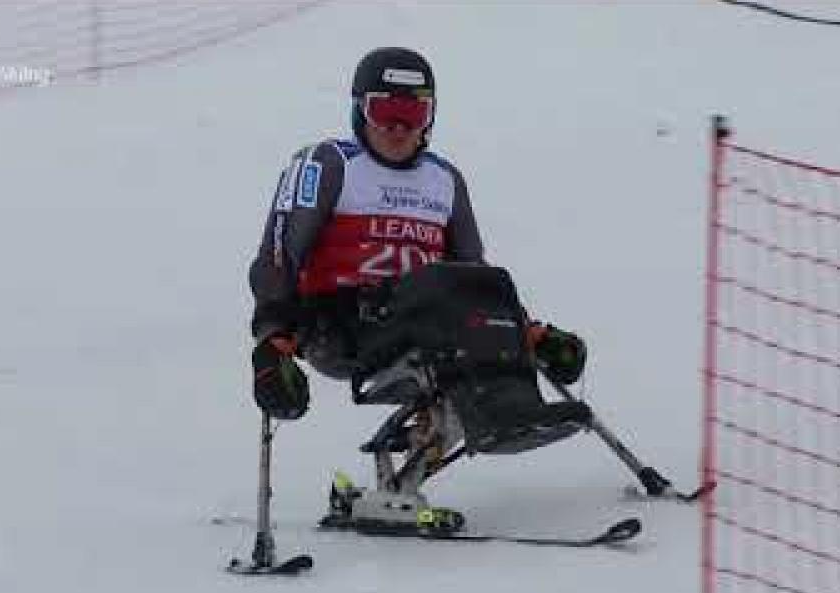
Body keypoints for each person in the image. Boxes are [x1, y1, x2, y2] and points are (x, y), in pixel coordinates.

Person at [246, 48, 588, 504]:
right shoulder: (328, 165)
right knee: (441, 289)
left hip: (430, 322)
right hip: (343, 326)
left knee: (485, 283)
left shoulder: (444, 180)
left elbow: (478, 279)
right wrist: (272, 341)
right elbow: (277, 255)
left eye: (412, 112)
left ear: (430, 118)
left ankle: (512, 413)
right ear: (359, 110)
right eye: (384, 110)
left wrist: (531, 335)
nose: (396, 126)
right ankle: (499, 416)